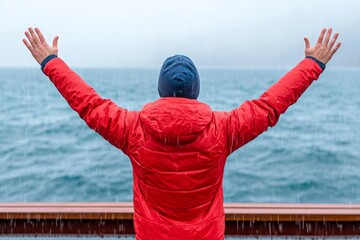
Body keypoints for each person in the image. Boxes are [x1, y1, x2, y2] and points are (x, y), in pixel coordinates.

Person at [23, 27, 341, 240]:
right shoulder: (224, 129)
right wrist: (312, 64)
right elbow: (269, 106)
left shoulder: (132, 129)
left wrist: (51, 61)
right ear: (196, 91)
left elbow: (89, 105)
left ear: (161, 90)